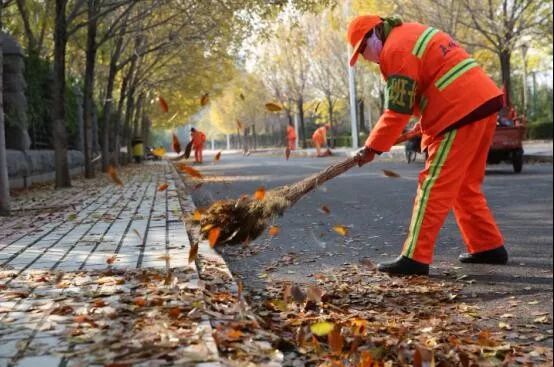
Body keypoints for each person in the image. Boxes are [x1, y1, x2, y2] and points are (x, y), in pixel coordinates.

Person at [348, 15, 508, 275]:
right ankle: (487, 246)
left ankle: (415, 257)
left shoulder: (396, 50)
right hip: (482, 103)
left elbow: (397, 110)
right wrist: (423, 123)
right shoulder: (410, 33)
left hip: (459, 113)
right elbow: (430, 83)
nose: (366, 57)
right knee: (464, 186)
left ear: (374, 33)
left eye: (362, 50)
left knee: (433, 185)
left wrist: (372, 147)